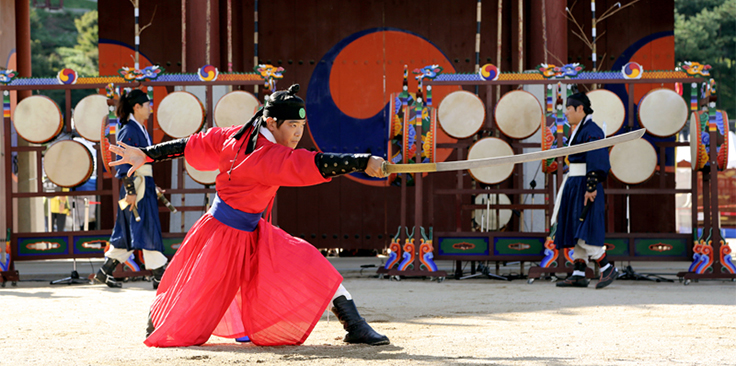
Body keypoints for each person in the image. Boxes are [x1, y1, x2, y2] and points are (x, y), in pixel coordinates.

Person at [110, 84, 390, 347]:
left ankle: (354, 324)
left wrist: (148, 154)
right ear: (271, 123)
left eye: (301, 127)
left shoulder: (236, 135)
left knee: (307, 262)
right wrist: (363, 161)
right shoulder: (265, 157)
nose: (297, 133)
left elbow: (190, 145)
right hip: (226, 236)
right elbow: (316, 163)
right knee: (198, 289)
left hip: (247, 230)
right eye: (292, 125)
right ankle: (159, 323)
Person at [93, 89, 167, 289]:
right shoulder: (129, 130)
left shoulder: (138, 128)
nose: (150, 109)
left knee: (126, 230)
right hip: (136, 187)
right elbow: (124, 163)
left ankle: (104, 272)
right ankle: (160, 274)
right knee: (148, 226)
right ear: (137, 107)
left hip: (143, 184)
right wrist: (131, 191)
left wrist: (151, 183)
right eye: (148, 105)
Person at [553, 92, 618, 289]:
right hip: (574, 183)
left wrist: (591, 186)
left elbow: (596, 158)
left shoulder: (592, 131)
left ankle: (606, 267)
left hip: (585, 184)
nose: (566, 113)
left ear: (580, 109)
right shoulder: (578, 130)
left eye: (569, 109)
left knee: (584, 226)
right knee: (575, 226)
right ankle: (579, 272)